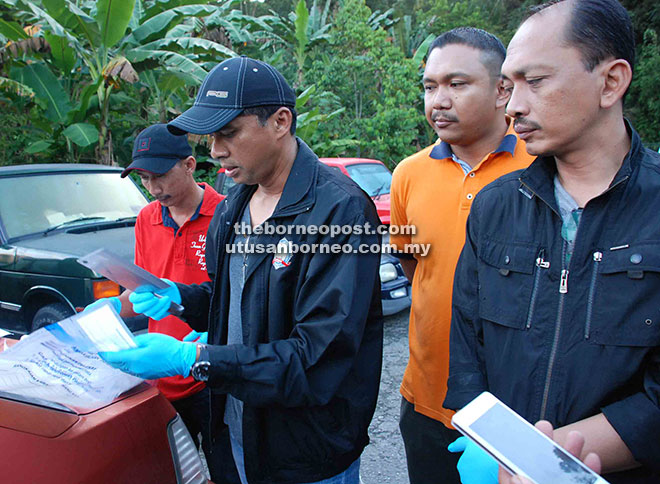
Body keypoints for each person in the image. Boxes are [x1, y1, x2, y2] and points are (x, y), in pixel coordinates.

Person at [100, 56, 384, 484]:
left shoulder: (339, 209)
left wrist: (193, 358)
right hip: (236, 428)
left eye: (229, 133)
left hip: (304, 451)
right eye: (212, 136)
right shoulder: (234, 206)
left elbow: (316, 358)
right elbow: (228, 297)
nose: (216, 150)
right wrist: (182, 299)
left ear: (281, 121)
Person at [444, 1, 660, 483]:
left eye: (534, 81)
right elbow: (468, 352)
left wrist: (546, 462)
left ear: (611, 81)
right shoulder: (495, 207)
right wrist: (495, 455)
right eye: (509, 85)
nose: (513, 106)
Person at [389, 27, 533, 484]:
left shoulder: (544, 165)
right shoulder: (408, 174)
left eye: (457, 84)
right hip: (426, 401)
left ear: (501, 91)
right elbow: (414, 262)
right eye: (430, 86)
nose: (439, 100)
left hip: (517, 410)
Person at [90, 123, 227, 479]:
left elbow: (239, 301)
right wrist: (115, 308)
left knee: (226, 467)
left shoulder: (227, 216)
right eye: (145, 179)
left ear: (190, 165)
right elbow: (144, 291)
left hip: (211, 373)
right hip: (159, 375)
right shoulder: (146, 219)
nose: (153, 188)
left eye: (161, 176)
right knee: (170, 470)